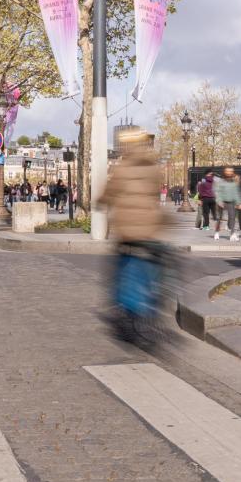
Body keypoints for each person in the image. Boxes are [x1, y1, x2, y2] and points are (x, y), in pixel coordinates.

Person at [99, 129, 166, 345]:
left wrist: (101, 202)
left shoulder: (122, 168)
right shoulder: (155, 168)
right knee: (151, 268)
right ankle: (153, 304)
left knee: (123, 270)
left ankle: (128, 311)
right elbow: (155, 195)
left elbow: (109, 193)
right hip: (150, 229)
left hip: (127, 230)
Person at [213, 167, 241, 240]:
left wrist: (239, 202)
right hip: (222, 202)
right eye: (228, 171)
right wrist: (219, 201)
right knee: (219, 218)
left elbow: (236, 193)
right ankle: (216, 232)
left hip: (231, 202)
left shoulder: (234, 183)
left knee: (232, 218)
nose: (229, 173)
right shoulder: (220, 182)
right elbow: (217, 192)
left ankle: (232, 233)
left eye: (231, 171)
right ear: (225, 172)